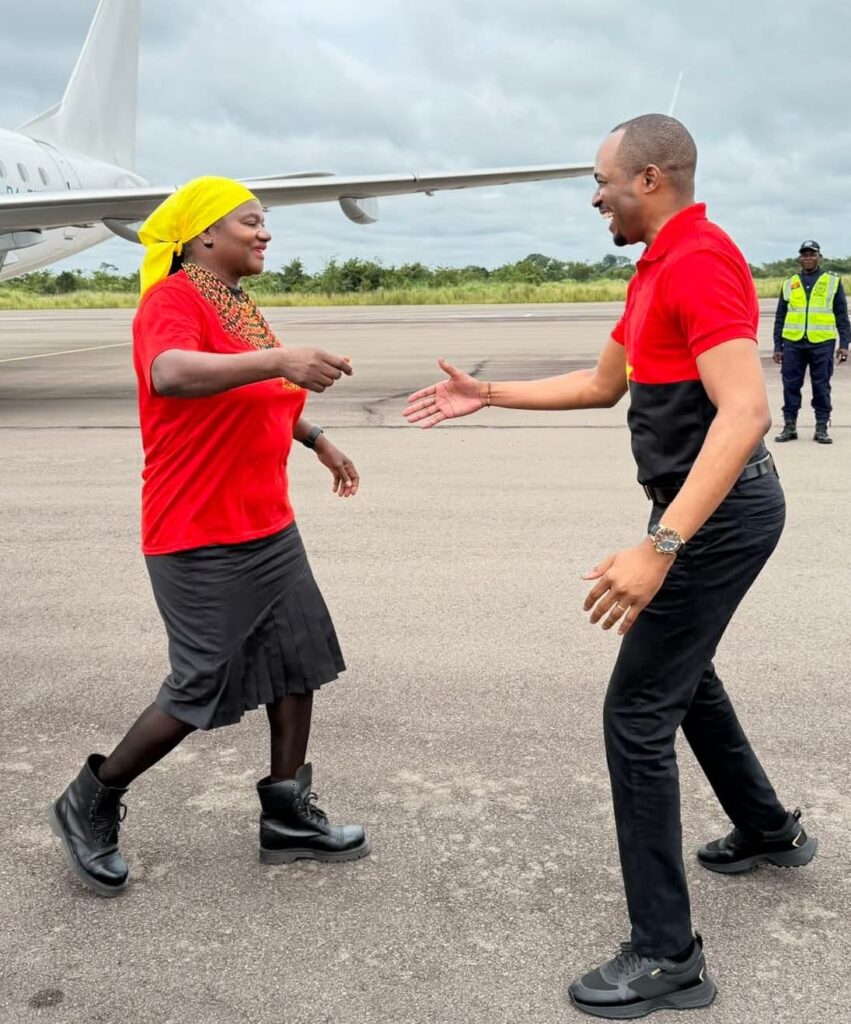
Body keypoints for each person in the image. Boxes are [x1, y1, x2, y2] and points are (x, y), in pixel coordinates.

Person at [404, 115, 816, 1019]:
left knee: (635, 714)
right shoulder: (654, 268)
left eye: (602, 180)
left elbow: (744, 412)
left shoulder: (700, 261)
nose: (594, 197)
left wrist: (660, 546)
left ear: (651, 179)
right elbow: (603, 384)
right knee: (683, 678)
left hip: (717, 515)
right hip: (700, 509)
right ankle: (765, 829)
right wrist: (487, 392)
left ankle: (668, 956)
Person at [49, 177, 370, 898]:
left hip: (267, 523)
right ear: (203, 235)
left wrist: (316, 438)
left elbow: (251, 390)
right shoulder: (171, 301)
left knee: (298, 661)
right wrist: (280, 360)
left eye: (264, 222)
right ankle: (88, 798)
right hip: (196, 529)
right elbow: (171, 373)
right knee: (199, 682)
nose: (264, 233)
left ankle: (286, 816)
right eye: (251, 221)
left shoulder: (236, 305)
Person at [773, 240, 849, 444]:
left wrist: (844, 345)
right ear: (800, 258)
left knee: (821, 386)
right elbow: (780, 317)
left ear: (819, 257)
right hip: (793, 343)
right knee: (790, 386)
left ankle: (821, 427)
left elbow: (842, 316)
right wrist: (778, 346)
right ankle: (790, 426)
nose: (808, 258)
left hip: (822, 343)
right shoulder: (789, 283)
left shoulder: (832, 282)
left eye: (812, 254)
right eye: (804, 255)